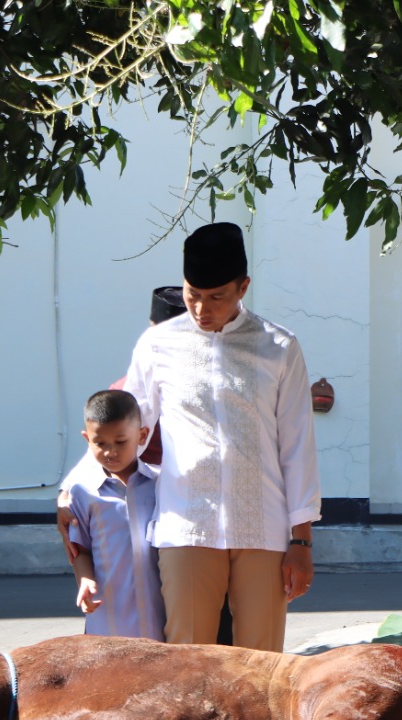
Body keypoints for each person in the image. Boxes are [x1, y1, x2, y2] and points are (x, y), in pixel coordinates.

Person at [123, 222, 319, 652]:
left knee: (261, 661)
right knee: (187, 656)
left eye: (217, 297)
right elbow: (125, 427)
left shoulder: (279, 347)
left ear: (243, 286)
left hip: (264, 527)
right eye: (192, 294)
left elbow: (298, 444)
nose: (200, 309)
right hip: (187, 523)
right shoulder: (158, 343)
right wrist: (74, 489)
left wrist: (301, 541)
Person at [64, 389, 164, 641]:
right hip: (109, 618)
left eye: (121, 442)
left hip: (160, 618)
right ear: (87, 439)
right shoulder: (83, 492)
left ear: (142, 436)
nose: (110, 452)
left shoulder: (161, 484)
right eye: (100, 443)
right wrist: (85, 580)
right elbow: (80, 548)